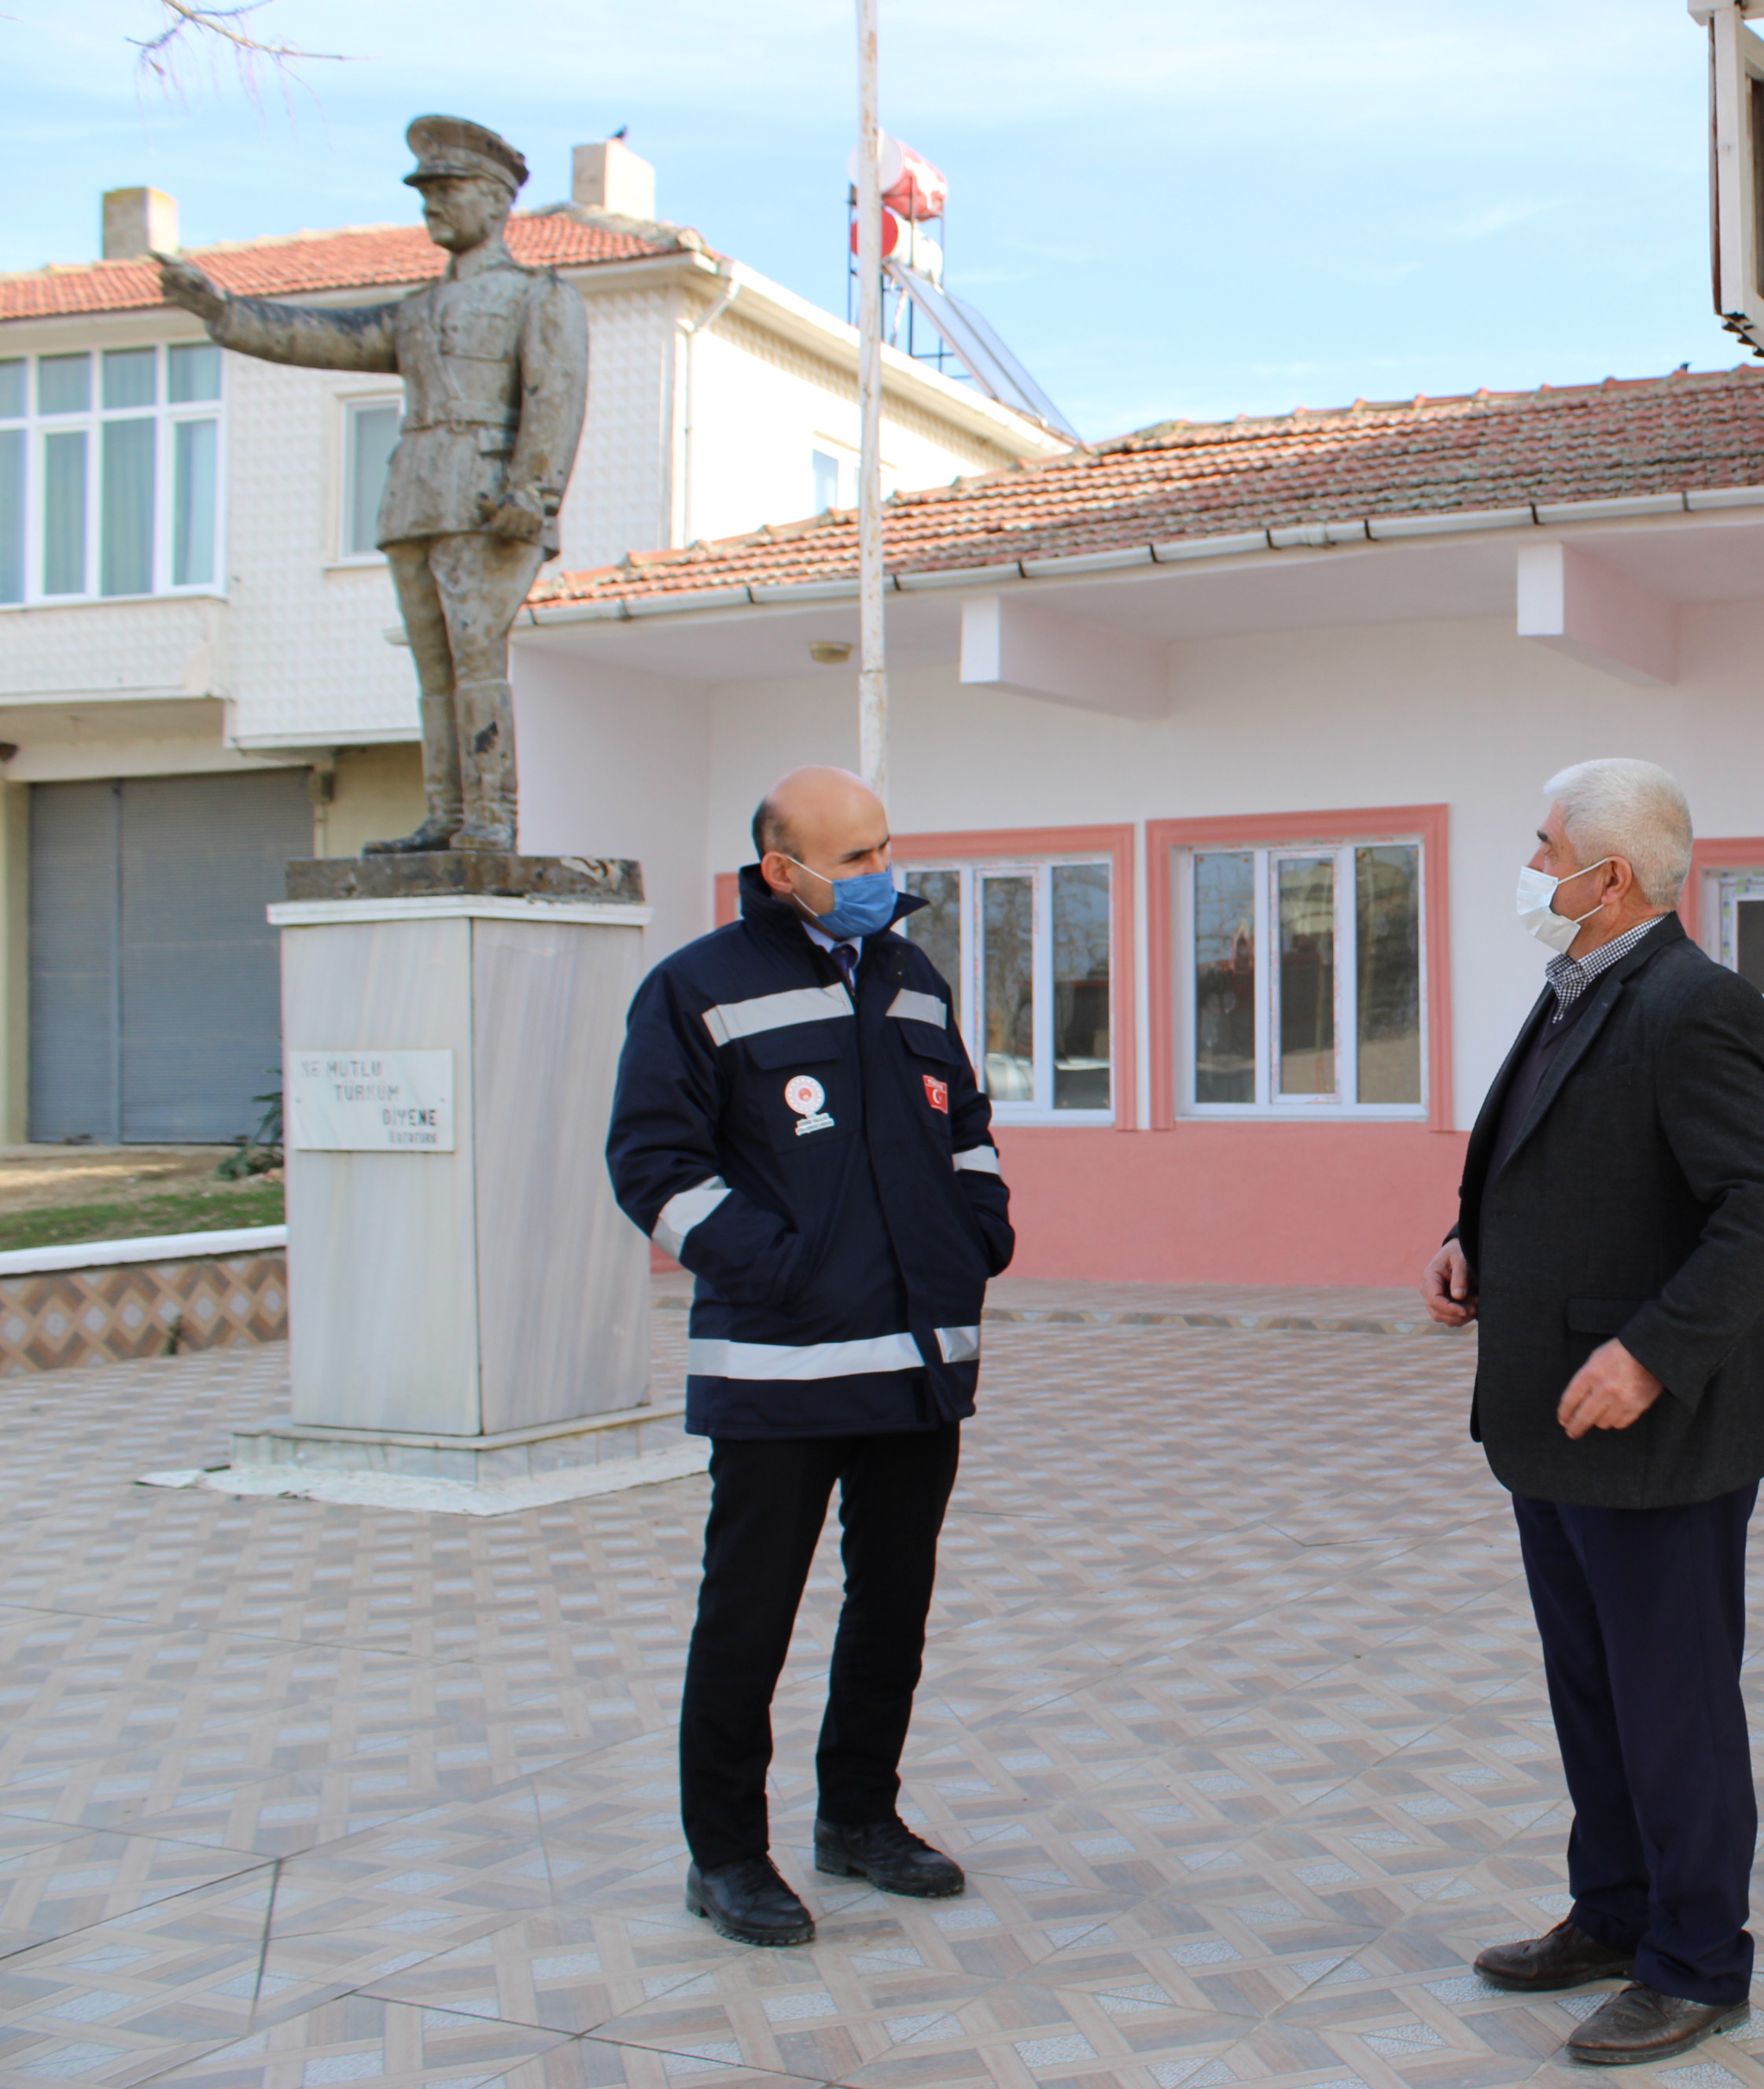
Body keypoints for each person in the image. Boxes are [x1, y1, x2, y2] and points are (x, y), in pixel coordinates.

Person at [1422, 759, 1764, 2067]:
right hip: (1552, 1419)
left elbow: (1761, 1208)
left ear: (1612, 877)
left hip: (1658, 1429)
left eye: (1542, 847)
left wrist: (1648, 1353)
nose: (1528, 867)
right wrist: (1468, 1238)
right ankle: (1613, 1910)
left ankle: (1698, 1962)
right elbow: (1562, 1165)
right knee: (1590, 1691)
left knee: (1671, 1703)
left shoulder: (1693, 1005)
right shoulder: (1577, 984)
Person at [607, 765, 1015, 1947]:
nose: (883, 875)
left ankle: (859, 1818)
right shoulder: (696, 989)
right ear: (782, 871)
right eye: (857, 858)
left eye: (887, 847)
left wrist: (974, 1232)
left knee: (893, 1605)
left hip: (916, 1363)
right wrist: (782, 1268)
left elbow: (968, 1128)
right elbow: (654, 1167)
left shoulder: (910, 976)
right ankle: (726, 1855)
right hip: (779, 1371)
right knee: (750, 1618)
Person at [158, 116, 586, 856]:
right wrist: (223, 311)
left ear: (494, 201)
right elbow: (329, 337)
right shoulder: (416, 308)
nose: (431, 207)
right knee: (433, 667)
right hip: (417, 499)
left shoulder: (536, 294)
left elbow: (556, 396)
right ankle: (446, 814)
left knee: (477, 655)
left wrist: (534, 493)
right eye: (427, 194)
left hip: (488, 502)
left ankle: (492, 815)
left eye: (447, 191)